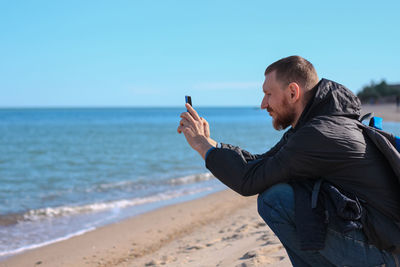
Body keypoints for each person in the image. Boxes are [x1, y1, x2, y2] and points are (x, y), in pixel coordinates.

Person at [177, 56, 400, 266]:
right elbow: (260, 163)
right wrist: (210, 142)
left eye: (268, 94)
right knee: (287, 192)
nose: (263, 104)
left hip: (388, 253)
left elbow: (249, 181)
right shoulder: (316, 125)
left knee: (275, 200)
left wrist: (200, 145)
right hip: (381, 238)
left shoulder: (319, 134)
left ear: (293, 92)